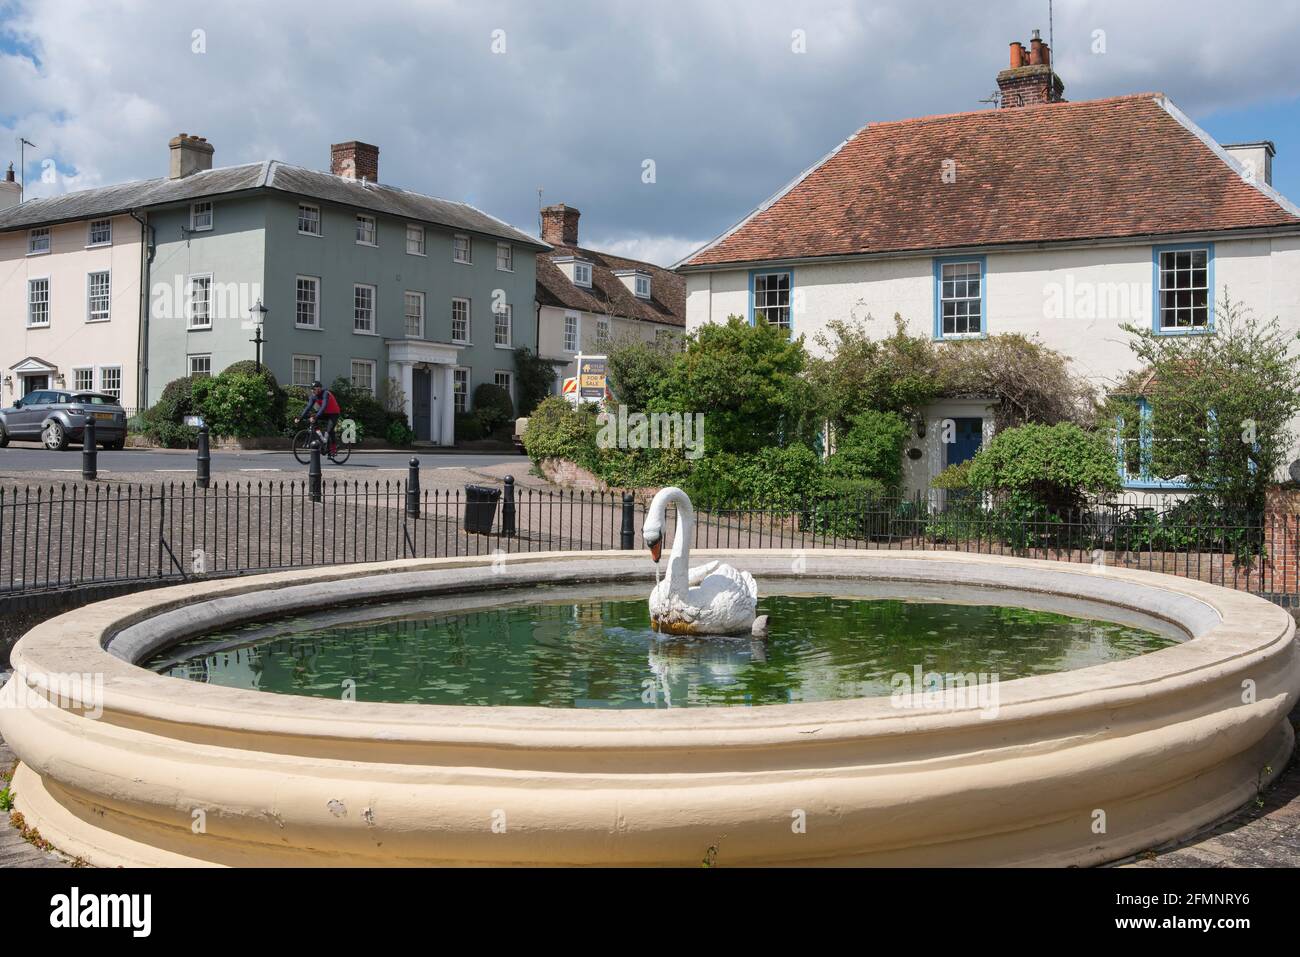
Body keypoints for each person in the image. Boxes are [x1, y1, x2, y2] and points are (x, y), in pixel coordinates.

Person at [300, 381, 342, 453]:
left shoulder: (325, 393)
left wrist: (316, 416)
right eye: (312, 389)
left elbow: (323, 406)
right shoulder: (313, 396)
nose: (312, 391)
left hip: (334, 413)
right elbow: (308, 407)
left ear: (319, 389)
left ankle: (334, 447)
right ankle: (321, 437)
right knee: (312, 418)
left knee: (329, 430)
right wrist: (300, 417)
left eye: (314, 389)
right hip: (325, 413)